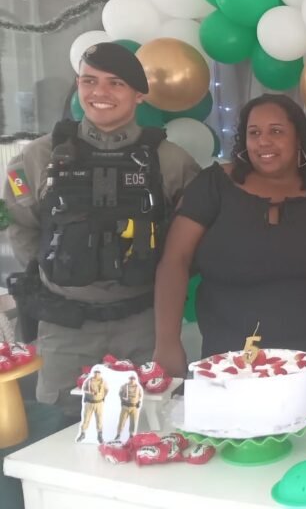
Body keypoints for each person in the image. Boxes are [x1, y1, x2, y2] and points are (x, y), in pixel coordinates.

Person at [4, 42, 200, 418]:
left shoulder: (171, 161)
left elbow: (188, 243)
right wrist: (59, 271)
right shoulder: (37, 157)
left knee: (151, 425)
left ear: (139, 94)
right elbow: (20, 225)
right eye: (89, 81)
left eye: (116, 83)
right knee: (61, 430)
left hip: (144, 326)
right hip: (65, 330)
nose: (100, 92)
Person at [153, 94, 306, 387]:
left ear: (299, 138)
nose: (263, 142)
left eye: (276, 131)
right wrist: (167, 341)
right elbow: (174, 260)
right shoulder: (215, 185)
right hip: (227, 358)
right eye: (254, 133)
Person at [76, 369, 107, 443]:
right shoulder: (89, 381)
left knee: (99, 419)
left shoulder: (103, 381)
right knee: (86, 419)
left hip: (99, 403)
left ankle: (99, 435)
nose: (97, 374)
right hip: (89, 402)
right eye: (95, 372)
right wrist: (90, 393)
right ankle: (83, 433)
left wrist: (102, 397)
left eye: (98, 373)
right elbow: (84, 390)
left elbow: (106, 390)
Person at [117, 374, 142, 439]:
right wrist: (122, 400)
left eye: (133, 379)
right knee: (122, 421)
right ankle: (118, 434)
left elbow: (140, 395)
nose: (132, 380)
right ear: (129, 379)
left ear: (135, 379)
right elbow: (120, 393)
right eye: (131, 379)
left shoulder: (138, 387)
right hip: (125, 406)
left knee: (133, 422)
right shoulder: (124, 386)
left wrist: (138, 402)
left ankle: (131, 435)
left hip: (134, 407)